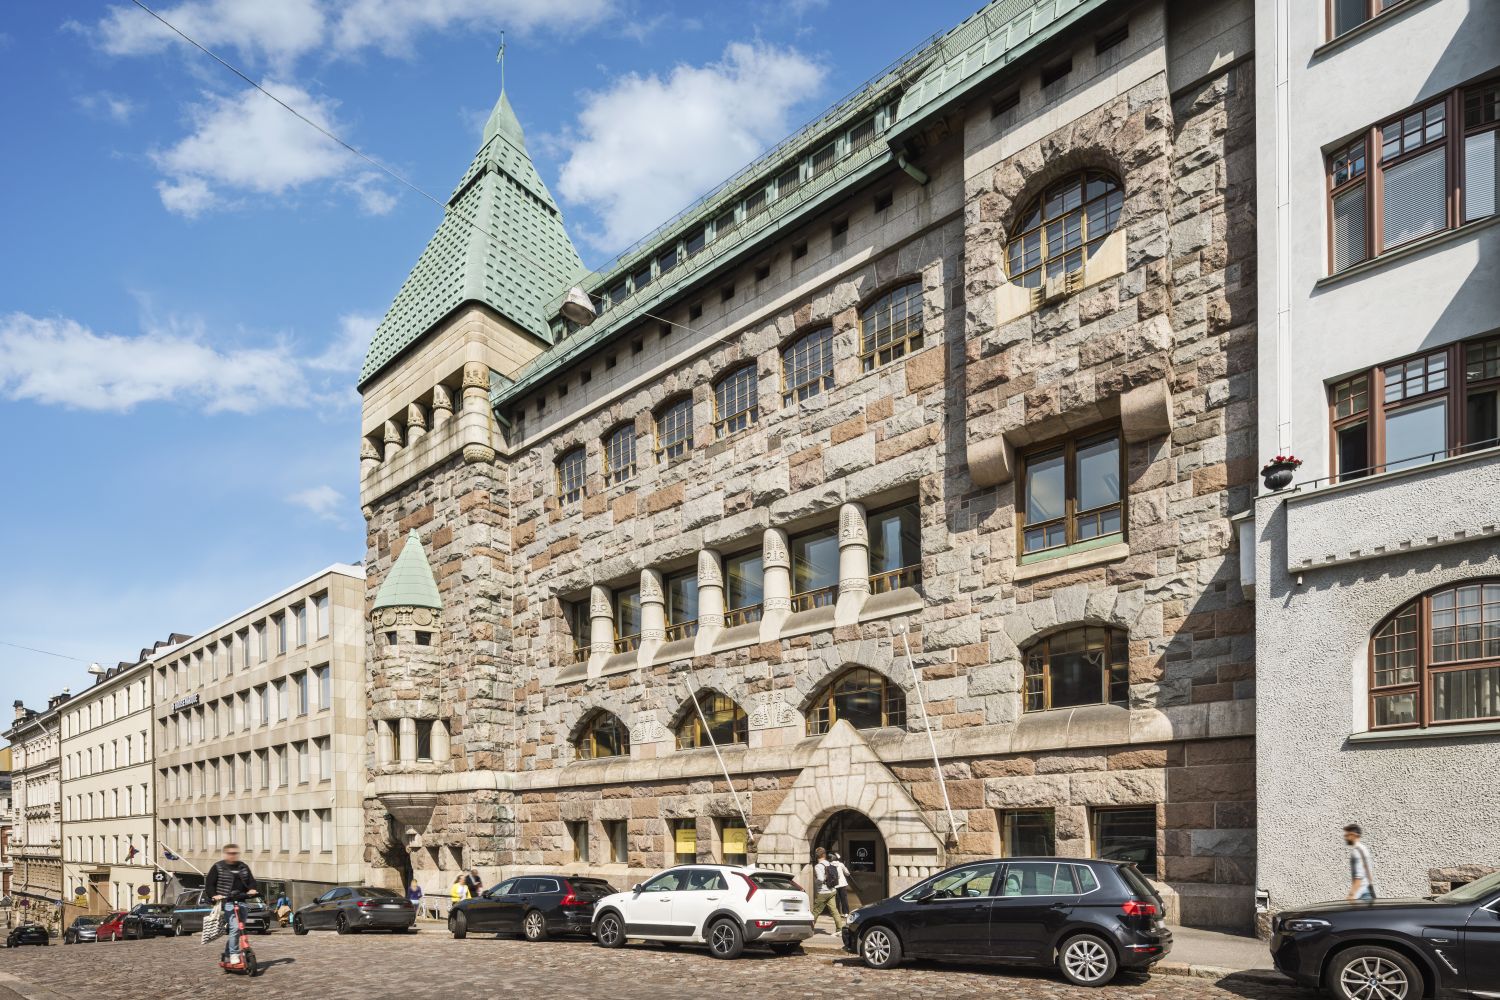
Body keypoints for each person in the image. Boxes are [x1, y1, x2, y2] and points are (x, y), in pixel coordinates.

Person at [204, 843, 258, 964]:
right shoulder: (218, 867)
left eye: (235, 853)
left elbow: (252, 882)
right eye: (230, 853)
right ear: (225, 854)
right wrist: (214, 895)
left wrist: (252, 889)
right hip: (227, 902)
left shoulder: (243, 867)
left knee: (238, 929)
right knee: (235, 927)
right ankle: (234, 953)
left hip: (241, 901)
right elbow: (209, 884)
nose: (233, 855)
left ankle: (228, 953)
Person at [811, 847, 844, 933]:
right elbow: (838, 876)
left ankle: (809, 929)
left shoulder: (818, 866)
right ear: (824, 855)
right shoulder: (830, 864)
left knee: (816, 911)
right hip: (832, 890)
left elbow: (820, 879)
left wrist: (816, 882)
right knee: (834, 910)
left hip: (823, 892)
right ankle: (839, 929)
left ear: (816, 856)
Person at [1344, 824, 1376, 901]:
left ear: (1353, 835)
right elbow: (1369, 874)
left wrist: (1351, 895)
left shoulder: (1356, 852)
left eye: (1347, 835)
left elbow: (1359, 876)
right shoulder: (1364, 849)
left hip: (1362, 893)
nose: (1345, 838)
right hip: (1367, 891)